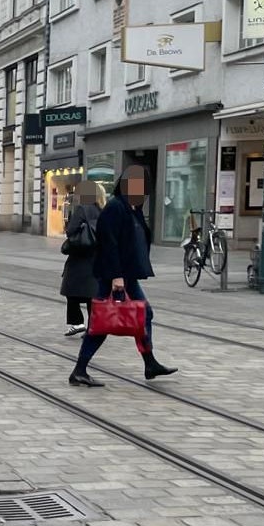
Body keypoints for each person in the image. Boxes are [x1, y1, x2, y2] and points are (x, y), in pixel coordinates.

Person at [69, 165, 177, 387]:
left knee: (141, 315)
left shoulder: (131, 208)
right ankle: (80, 370)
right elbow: (109, 243)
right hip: (115, 277)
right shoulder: (115, 208)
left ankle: (149, 363)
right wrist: (116, 277)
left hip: (127, 276)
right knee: (102, 323)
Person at [59, 180, 103, 337]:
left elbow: (71, 231)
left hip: (80, 256)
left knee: (71, 291)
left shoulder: (81, 209)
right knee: (92, 294)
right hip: (97, 257)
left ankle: (77, 322)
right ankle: (93, 327)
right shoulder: (101, 210)